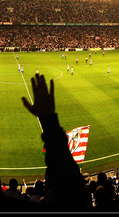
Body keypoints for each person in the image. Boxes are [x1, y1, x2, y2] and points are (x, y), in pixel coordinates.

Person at [21, 74, 91, 208]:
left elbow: (64, 174)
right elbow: (69, 178)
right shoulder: (79, 199)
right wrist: (49, 121)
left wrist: (48, 120)